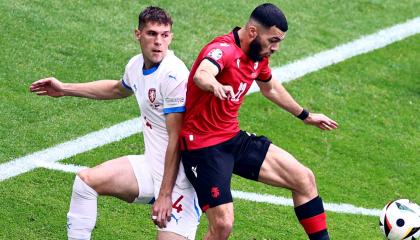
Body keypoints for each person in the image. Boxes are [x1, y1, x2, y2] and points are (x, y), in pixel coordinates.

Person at [30, 6, 201, 240]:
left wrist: (164, 195)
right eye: (152, 33)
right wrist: (64, 88)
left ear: (171, 36)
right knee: (86, 183)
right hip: (151, 166)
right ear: (138, 34)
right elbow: (116, 89)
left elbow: (176, 138)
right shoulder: (135, 66)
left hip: (180, 181)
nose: (158, 42)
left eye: (164, 35)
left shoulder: (173, 75)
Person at [179, 3, 338, 240]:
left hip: (232, 138)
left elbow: (270, 88)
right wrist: (216, 85)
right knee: (223, 224)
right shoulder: (222, 50)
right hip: (203, 147)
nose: (276, 48)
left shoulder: (257, 55)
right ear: (253, 32)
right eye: (273, 40)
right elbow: (203, 73)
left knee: (304, 178)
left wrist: (306, 116)